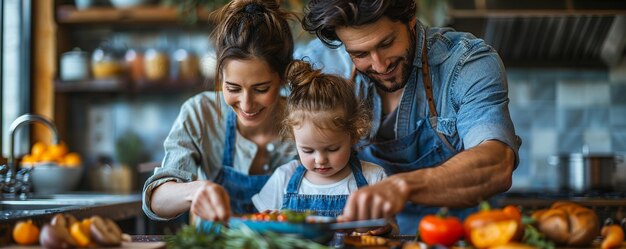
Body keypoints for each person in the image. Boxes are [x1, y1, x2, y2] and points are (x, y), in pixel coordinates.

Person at [300, 0, 522, 234]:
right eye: (360, 53)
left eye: (386, 43)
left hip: (466, 235)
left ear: (410, 20)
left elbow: (497, 163)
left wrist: (403, 186)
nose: (380, 64)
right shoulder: (321, 67)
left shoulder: (466, 63)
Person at [142, 0, 298, 223]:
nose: (246, 105)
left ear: (283, 77)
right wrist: (195, 190)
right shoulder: (200, 113)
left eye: (261, 89)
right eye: (233, 88)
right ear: (220, 76)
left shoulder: (304, 116)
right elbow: (155, 201)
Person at [251, 59, 386, 218]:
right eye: (307, 150)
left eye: (332, 149)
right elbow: (259, 226)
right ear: (294, 139)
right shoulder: (284, 177)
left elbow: (390, 227)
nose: (320, 160)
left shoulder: (374, 178)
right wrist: (269, 221)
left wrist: (382, 227)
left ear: (354, 135)